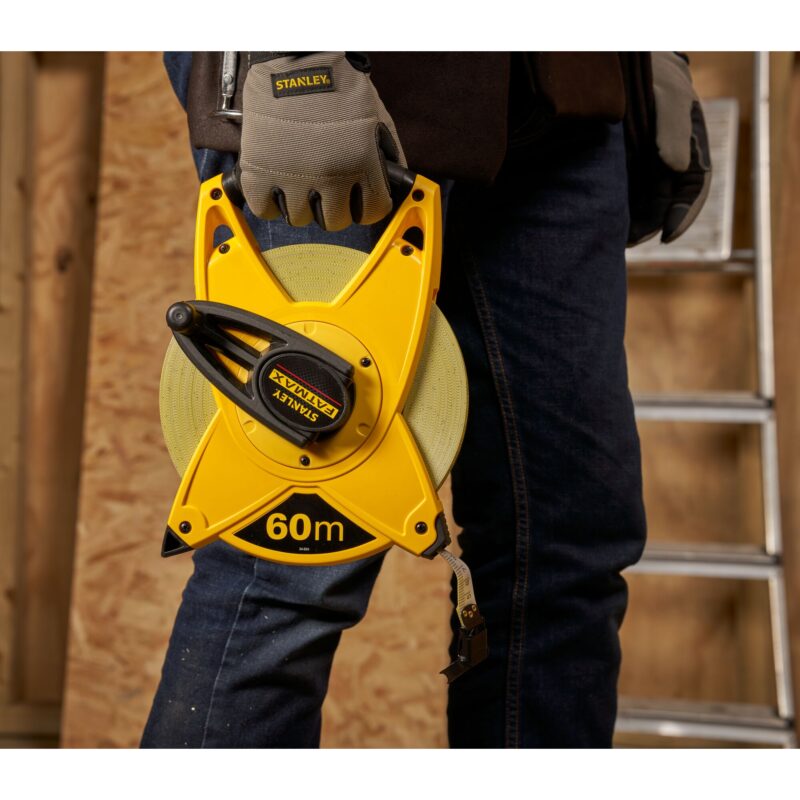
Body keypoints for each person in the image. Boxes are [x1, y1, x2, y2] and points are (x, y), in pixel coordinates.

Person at [141, 51, 710, 748]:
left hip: (567, 89)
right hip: (350, 77)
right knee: (288, 562)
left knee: (564, 554)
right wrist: (291, 55)